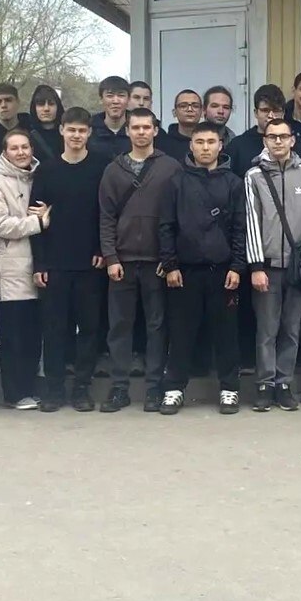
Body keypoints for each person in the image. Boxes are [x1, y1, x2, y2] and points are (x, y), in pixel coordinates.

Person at [243, 117, 301, 411]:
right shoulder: (254, 176)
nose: (278, 141)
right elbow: (251, 221)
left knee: (291, 328)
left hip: (299, 267)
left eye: (283, 136)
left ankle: (284, 383)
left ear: (293, 140)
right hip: (267, 266)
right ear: (265, 141)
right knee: (266, 329)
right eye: (273, 137)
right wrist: (256, 266)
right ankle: (265, 384)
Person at [158, 121, 247, 414]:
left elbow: (240, 228)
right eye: (200, 142)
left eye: (211, 142)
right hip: (185, 271)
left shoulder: (234, 183)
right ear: (191, 145)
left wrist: (237, 266)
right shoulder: (176, 182)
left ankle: (229, 388)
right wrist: (170, 264)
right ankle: (173, 388)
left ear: (220, 145)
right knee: (181, 332)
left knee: (226, 333)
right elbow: (166, 226)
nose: (205, 148)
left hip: (223, 271)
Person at [99, 107, 182, 412]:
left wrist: (170, 259)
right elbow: (106, 217)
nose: (141, 132)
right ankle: (119, 388)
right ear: (128, 131)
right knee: (119, 326)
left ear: (155, 130)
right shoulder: (113, 170)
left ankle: (153, 387)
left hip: (156, 262)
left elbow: (178, 216)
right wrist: (110, 257)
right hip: (122, 261)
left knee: (157, 326)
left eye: (147, 127)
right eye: (136, 127)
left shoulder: (171, 167)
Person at [32, 107, 109, 411]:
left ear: (89, 133)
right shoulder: (47, 171)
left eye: (82, 130)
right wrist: (40, 263)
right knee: (54, 330)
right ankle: (54, 389)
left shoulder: (102, 167)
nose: (76, 135)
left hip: (91, 264)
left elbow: (107, 213)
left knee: (89, 329)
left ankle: (81, 388)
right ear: (62, 130)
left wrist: (103, 250)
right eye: (71, 130)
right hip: (55, 265)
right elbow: (36, 220)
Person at [0, 129, 48, 410]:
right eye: (14, 148)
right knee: (13, 336)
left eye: (25, 147)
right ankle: (13, 393)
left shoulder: (39, 176)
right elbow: (0, 224)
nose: (21, 152)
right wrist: (38, 223)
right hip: (10, 268)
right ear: (5, 152)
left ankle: (28, 389)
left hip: (37, 266)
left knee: (33, 335)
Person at [226, 84, 285, 175]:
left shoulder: (292, 144)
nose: (271, 115)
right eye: (265, 110)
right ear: (256, 113)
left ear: (283, 113)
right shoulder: (238, 146)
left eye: (276, 110)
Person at [155, 88, 205, 162]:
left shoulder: (209, 143)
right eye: (183, 106)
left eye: (195, 106)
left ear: (202, 112)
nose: (190, 109)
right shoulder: (162, 144)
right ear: (174, 112)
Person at [91, 76, 132, 156]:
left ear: (128, 99)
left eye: (121, 95)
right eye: (110, 96)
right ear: (101, 99)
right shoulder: (90, 129)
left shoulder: (140, 129)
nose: (115, 101)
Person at [29, 85, 63, 161]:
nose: (46, 109)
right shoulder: (27, 136)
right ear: (34, 108)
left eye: (51, 104)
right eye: (41, 104)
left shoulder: (68, 134)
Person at [202, 85, 236, 151]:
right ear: (204, 109)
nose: (221, 111)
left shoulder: (235, 142)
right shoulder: (192, 139)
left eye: (226, 107)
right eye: (215, 106)